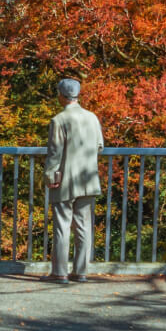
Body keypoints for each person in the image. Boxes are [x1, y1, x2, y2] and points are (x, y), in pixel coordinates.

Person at [44, 77, 103, 284]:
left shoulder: (59, 120)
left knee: (62, 226)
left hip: (65, 181)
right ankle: (81, 272)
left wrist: (50, 175)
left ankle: (59, 273)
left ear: (62, 95)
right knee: (83, 226)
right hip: (88, 179)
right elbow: (99, 146)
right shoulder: (92, 118)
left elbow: (54, 152)